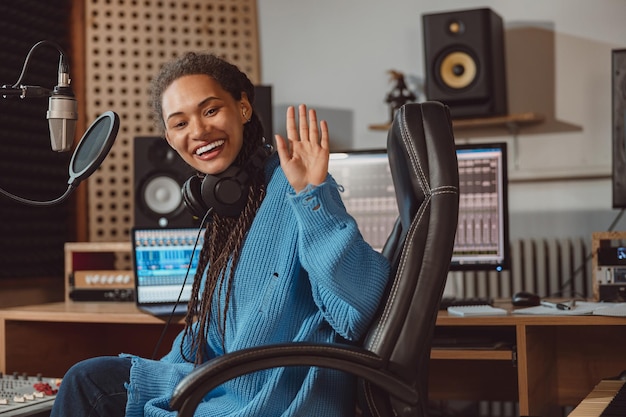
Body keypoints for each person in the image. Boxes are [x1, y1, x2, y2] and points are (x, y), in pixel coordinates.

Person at [50, 51, 390, 417]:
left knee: (86, 383)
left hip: (266, 402)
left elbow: (355, 310)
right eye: (180, 124)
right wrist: (165, 372)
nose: (198, 131)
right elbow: (214, 333)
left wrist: (313, 196)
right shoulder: (230, 206)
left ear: (243, 109)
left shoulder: (296, 186)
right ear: (169, 137)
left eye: (211, 111)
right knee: (88, 378)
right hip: (220, 383)